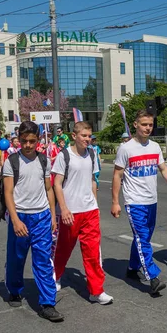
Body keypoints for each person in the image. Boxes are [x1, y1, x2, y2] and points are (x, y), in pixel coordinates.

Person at [111, 109, 167, 295]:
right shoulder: (126, 148)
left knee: (144, 238)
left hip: (152, 200)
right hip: (134, 201)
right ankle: (152, 277)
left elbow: (163, 168)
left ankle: (133, 267)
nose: (148, 128)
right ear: (135, 125)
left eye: (150, 125)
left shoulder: (155, 147)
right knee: (143, 239)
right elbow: (117, 175)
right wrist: (115, 202)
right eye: (144, 124)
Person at [3, 121, 62, 322]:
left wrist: (53, 215)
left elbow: (48, 189)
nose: (28, 145)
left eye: (32, 141)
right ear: (19, 140)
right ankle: (15, 289)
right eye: (24, 141)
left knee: (43, 260)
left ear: (38, 140)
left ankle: (47, 303)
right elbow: (8, 193)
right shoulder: (11, 161)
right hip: (20, 216)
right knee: (17, 258)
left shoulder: (44, 160)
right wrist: (16, 220)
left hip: (42, 217)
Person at [52, 121, 113, 304]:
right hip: (70, 212)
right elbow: (56, 184)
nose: (87, 139)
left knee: (93, 252)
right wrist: (63, 209)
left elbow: (93, 181)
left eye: (89, 136)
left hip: (89, 210)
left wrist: (95, 205)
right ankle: (55, 276)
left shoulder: (92, 154)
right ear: (74, 136)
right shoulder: (64, 156)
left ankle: (96, 291)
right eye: (84, 136)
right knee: (63, 249)